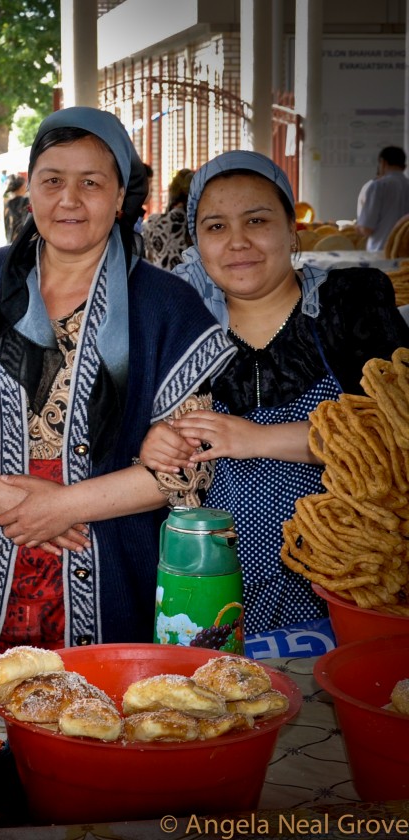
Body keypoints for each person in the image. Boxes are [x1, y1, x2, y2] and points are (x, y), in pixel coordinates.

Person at [0, 107, 236, 659]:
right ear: (30, 190)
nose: (69, 200)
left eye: (91, 183)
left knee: (101, 722)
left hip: (115, 572)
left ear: (121, 196)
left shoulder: (166, 306)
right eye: (52, 181)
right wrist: (9, 501)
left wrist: (68, 506)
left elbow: (189, 469)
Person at [141, 150, 409, 635]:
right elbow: (142, 447)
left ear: (293, 229)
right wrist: (154, 445)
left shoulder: (349, 305)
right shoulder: (180, 325)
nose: (238, 241)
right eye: (216, 226)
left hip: (345, 584)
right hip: (210, 591)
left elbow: (396, 437)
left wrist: (255, 439)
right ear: (196, 242)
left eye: (257, 220)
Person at [356, 146, 409, 252]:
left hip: (380, 252)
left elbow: (367, 229)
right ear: (404, 166)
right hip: (405, 254)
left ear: (383, 162)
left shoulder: (379, 186)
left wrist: (358, 228)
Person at [142, 168, 193, 269]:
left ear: (171, 193)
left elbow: (148, 262)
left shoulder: (153, 223)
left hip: (160, 283)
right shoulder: (204, 225)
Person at [3, 174, 29, 243]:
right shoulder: (26, 201)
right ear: (22, 187)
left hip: (11, 239)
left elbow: (6, 223)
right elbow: (25, 221)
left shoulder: (8, 203)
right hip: (23, 239)